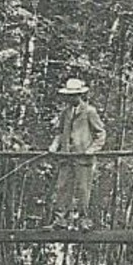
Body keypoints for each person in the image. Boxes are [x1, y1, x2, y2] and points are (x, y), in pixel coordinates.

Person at [49, 77, 106, 229]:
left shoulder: (89, 112)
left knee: (83, 189)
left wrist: (91, 150)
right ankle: (61, 220)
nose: (71, 98)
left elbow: (100, 134)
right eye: (69, 96)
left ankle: (83, 220)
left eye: (73, 95)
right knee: (62, 188)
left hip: (83, 158)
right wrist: (54, 146)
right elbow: (60, 132)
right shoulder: (65, 113)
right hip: (66, 157)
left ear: (80, 95)